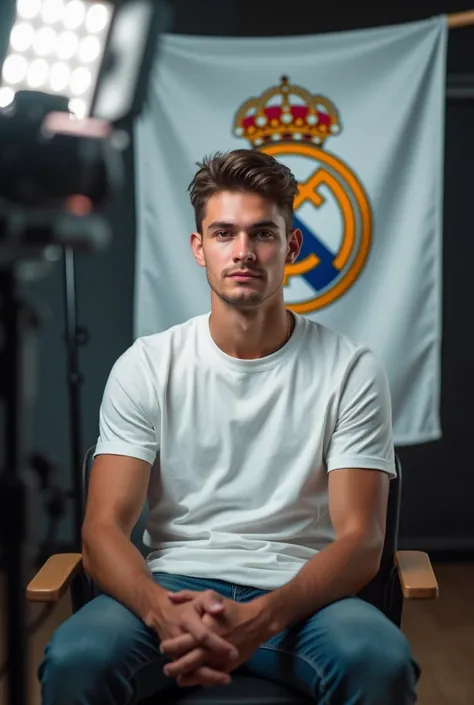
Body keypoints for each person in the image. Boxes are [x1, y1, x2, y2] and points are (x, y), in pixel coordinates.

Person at [39, 149, 420, 704]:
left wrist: (261, 618)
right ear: (199, 248)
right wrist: (160, 613)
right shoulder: (147, 365)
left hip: (305, 597)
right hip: (173, 590)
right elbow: (102, 531)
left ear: (291, 245)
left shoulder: (350, 369)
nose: (243, 252)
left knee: (376, 662)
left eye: (262, 233)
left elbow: (361, 540)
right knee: (77, 660)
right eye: (223, 233)